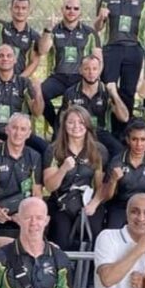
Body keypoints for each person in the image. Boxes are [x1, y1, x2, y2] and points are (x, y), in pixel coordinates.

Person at [95, 0, 145, 133]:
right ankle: (106, 127)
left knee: (128, 91)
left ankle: (124, 131)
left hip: (134, 49)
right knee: (108, 87)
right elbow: (97, 27)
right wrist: (101, 18)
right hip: (112, 49)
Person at [42, 106, 107, 251]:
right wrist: (63, 169)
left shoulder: (98, 150)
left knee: (95, 235)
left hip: (88, 201)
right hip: (61, 203)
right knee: (61, 237)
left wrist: (94, 204)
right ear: (64, 125)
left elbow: (101, 185)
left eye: (81, 122)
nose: (76, 126)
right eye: (71, 122)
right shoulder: (53, 150)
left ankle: (91, 266)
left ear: (87, 125)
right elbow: (50, 186)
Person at [38, 0, 102, 132]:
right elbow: (42, 50)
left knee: (76, 102)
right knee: (39, 94)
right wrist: (48, 30)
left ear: (80, 12)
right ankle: (56, 126)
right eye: (68, 8)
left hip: (80, 78)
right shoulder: (54, 30)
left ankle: (78, 131)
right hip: (58, 77)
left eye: (75, 8)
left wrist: (94, 80)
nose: (71, 11)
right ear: (62, 10)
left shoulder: (90, 33)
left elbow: (99, 59)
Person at [0, 113, 44, 236]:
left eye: (23, 129)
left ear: (29, 133)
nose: (18, 133)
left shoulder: (34, 157)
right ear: (7, 129)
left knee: (37, 228)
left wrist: (26, 213)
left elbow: (37, 193)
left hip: (22, 207)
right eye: (14, 128)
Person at [58, 54, 129, 157]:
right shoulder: (71, 92)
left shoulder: (106, 91)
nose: (91, 73)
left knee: (120, 152)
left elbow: (124, 118)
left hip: (101, 132)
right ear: (80, 70)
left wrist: (114, 94)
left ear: (100, 70)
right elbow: (62, 119)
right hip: (78, 131)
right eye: (87, 69)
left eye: (94, 69)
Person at [102, 119, 145, 229]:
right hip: (122, 207)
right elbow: (106, 197)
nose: (139, 144)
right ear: (128, 140)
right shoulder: (117, 161)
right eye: (134, 139)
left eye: (143, 139)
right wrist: (113, 180)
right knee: (112, 231)